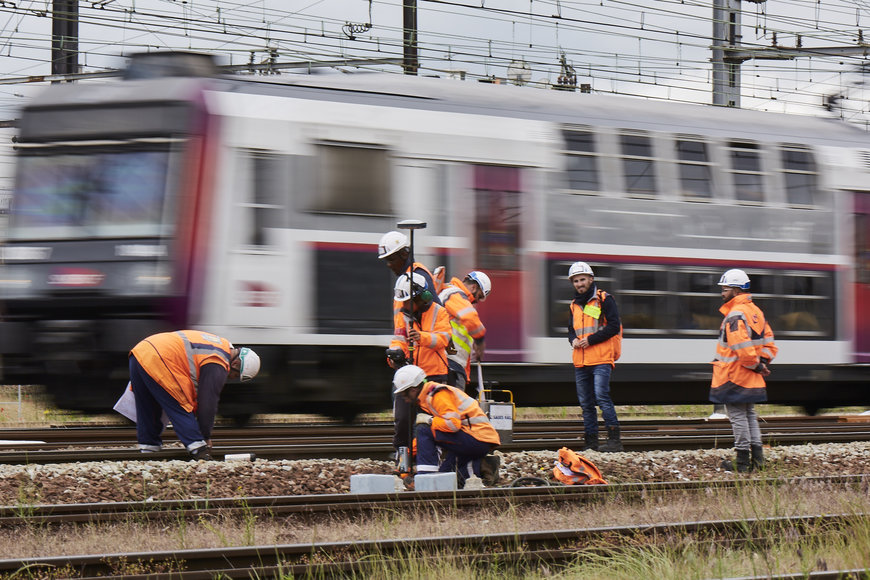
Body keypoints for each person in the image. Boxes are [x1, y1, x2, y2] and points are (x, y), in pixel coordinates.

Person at [129, 330, 261, 460]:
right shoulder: (218, 361)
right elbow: (208, 403)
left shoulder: (219, 346)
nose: (231, 378)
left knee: (148, 406)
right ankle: (198, 448)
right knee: (180, 405)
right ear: (235, 364)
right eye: (235, 375)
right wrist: (205, 436)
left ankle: (149, 448)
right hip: (160, 356)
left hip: (140, 352)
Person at [710, 269, 778, 473]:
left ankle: (741, 463)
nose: (722, 293)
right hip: (750, 374)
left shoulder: (735, 315)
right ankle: (758, 461)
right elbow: (769, 342)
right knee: (749, 414)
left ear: (737, 289)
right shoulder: (756, 312)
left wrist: (756, 364)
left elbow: (741, 346)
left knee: (738, 416)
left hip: (735, 374)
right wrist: (763, 362)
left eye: (726, 288)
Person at [392, 365, 500, 487]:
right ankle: (486, 467)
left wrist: (430, 421)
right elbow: (431, 435)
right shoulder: (427, 398)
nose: (404, 399)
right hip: (474, 439)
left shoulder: (437, 395)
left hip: (476, 439)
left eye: (404, 394)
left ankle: (425, 479)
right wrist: (409, 453)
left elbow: (453, 425)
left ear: (413, 389)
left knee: (423, 428)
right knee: (447, 479)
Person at [386, 272, 451, 453]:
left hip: (433, 375)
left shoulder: (440, 312)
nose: (404, 305)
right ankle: (403, 457)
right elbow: (399, 338)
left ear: (423, 297)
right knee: (403, 419)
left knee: (430, 420)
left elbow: (443, 339)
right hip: (409, 376)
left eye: (408, 301)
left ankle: (430, 456)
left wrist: (421, 337)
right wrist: (395, 353)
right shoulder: (402, 315)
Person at [567, 261, 624, 452]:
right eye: (575, 281)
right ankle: (591, 443)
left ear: (591, 279)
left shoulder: (605, 299)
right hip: (581, 361)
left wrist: (590, 340)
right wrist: (573, 340)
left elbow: (614, 326)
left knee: (601, 397)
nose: (579, 284)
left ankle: (614, 441)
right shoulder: (574, 305)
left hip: (600, 359)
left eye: (582, 279)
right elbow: (570, 330)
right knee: (586, 404)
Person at [438, 270, 491, 392]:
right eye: (479, 297)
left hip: (448, 362)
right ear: (474, 287)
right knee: (452, 408)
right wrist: (479, 341)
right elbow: (470, 318)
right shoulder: (455, 294)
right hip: (450, 363)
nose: (477, 301)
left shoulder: (449, 294)